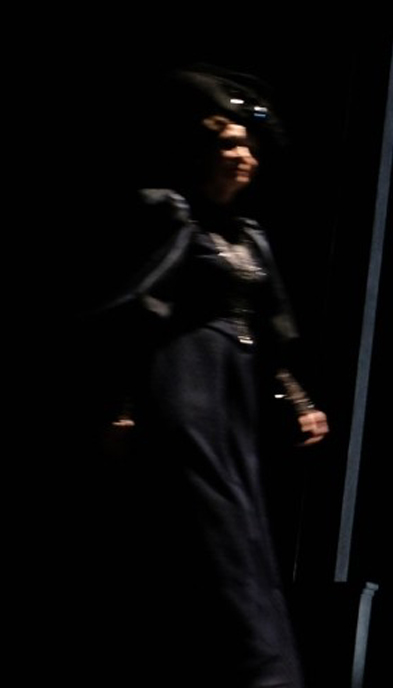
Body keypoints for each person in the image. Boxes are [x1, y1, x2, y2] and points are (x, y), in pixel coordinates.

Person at [87, 69, 329, 688]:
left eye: (248, 146)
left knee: (245, 530)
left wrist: (301, 402)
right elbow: (139, 315)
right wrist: (122, 406)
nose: (244, 157)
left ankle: (254, 667)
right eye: (229, 145)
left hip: (234, 397)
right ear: (201, 151)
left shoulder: (249, 235)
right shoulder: (171, 215)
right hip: (185, 383)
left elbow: (267, 330)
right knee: (212, 529)